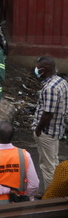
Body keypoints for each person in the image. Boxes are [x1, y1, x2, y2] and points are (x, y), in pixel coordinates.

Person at [0, 121, 39, 206]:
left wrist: (7, 191)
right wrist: (23, 195)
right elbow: (34, 184)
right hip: (17, 206)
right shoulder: (24, 155)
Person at [32, 55, 68, 193]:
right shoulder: (61, 81)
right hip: (56, 130)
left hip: (47, 132)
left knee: (47, 167)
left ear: (44, 69)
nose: (36, 69)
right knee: (53, 163)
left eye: (38, 67)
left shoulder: (50, 88)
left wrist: (38, 129)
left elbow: (48, 113)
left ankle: (52, 197)